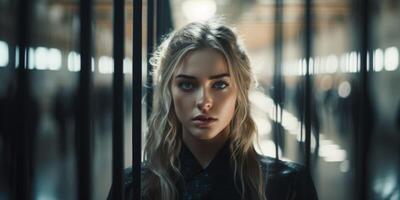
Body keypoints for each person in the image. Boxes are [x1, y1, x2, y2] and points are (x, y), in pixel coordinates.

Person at [108, 21, 318, 200]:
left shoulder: (288, 184)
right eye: (187, 85)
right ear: (168, 92)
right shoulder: (132, 187)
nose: (204, 101)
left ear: (240, 91)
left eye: (219, 85)